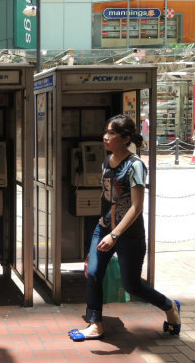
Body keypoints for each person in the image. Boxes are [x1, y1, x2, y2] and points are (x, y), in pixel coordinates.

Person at [69, 114, 180, 342]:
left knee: (132, 285)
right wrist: (106, 228)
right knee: (93, 273)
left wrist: (115, 234)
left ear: (125, 138)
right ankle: (96, 324)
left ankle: (169, 308)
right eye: (105, 131)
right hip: (105, 227)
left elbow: (137, 207)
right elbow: (109, 199)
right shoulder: (106, 162)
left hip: (128, 234)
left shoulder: (135, 166)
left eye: (111, 133)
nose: (105, 137)